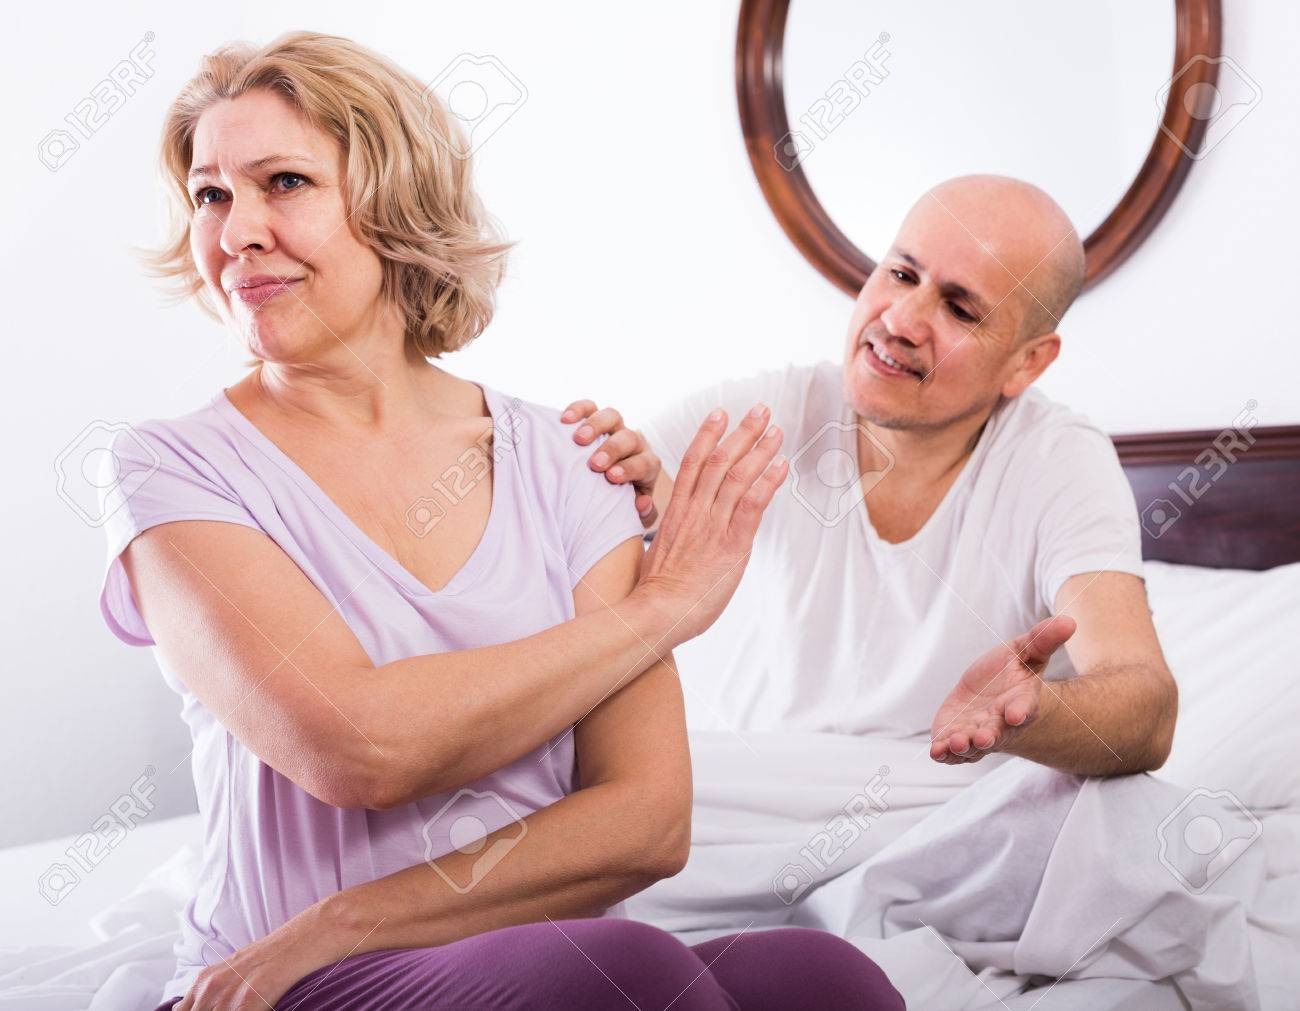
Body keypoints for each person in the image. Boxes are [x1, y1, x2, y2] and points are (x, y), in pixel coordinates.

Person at [99, 30, 903, 1011]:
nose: (236, 233)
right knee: (636, 973)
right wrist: (663, 608)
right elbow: (361, 747)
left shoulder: (569, 458)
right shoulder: (172, 469)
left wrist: (347, 917)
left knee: (825, 978)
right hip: (288, 980)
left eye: (285, 183)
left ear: (397, 200)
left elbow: (648, 821)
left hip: (440, 949)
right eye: (211, 195)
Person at [564, 174, 1178, 776]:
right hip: (779, 785)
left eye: (960, 309)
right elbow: (610, 501)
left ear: (1028, 362)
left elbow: (1146, 711)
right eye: (902, 275)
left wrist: (1033, 715)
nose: (901, 320)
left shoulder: (1057, 459)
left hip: (953, 804)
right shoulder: (772, 414)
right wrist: (625, 493)